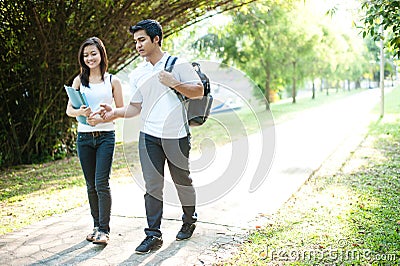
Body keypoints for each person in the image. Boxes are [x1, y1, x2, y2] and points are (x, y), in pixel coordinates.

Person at [97, 19, 203, 254]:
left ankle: (189, 219)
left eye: (142, 40)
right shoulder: (139, 73)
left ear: (156, 39)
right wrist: (113, 112)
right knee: (153, 186)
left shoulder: (178, 64)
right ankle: (153, 234)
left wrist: (174, 83)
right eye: (135, 41)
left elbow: (198, 91)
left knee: (182, 181)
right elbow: (135, 107)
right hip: (149, 136)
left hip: (176, 135)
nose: (138, 45)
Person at [66, 37, 124, 245]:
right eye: (85, 55)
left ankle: (104, 230)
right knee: (90, 185)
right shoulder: (79, 81)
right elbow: (69, 110)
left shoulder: (112, 81)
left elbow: (120, 110)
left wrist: (104, 117)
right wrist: (79, 111)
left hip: (106, 137)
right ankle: (96, 226)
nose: (90, 58)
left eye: (93, 53)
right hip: (84, 138)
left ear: (101, 54)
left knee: (101, 183)